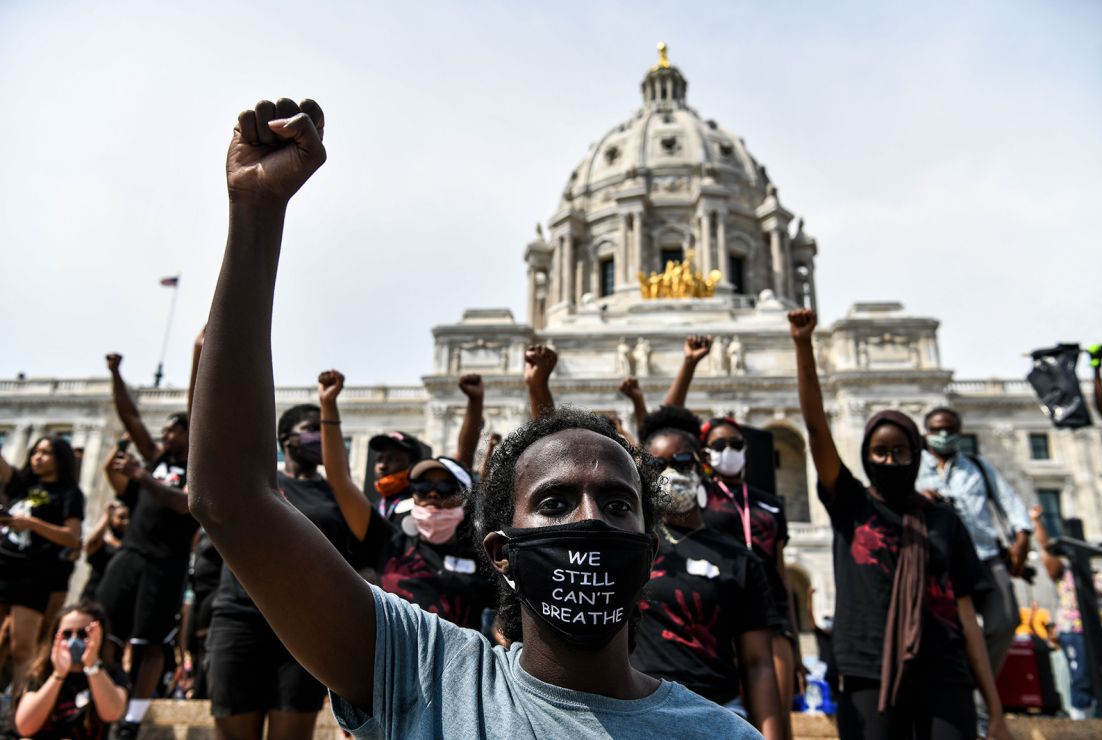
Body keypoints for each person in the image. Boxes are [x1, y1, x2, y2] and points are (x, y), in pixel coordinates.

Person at [188, 97, 758, 739]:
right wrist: (256, 213)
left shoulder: (727, 735)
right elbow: (233, 501)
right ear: (499, 548)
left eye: (619, 502)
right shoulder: (428, 676)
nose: (589, 520)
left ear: (651, 551)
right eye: (554, 501)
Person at [789, 307, 1010, 740]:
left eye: (900, 452)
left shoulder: (944, 521)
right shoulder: (851, 505)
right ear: (866, 457)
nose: (889, 460)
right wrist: (803, 345)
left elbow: (967, 618)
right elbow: (816, 431)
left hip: (943, 670)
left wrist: (997, 711)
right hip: (867, 672)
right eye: (879, 452)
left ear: (917, 455)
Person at [204, 401, 358, 739]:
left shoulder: (339, 495)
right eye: (312, 429)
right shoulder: (255, 483)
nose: (322, 438)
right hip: (240, 618)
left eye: (327, 431)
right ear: (286, 438)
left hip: (306, 627)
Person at [632, 427, 783, 739]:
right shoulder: (634, 549)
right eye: (659, 465)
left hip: (718, 713)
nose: (672, 472)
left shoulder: (739, 559)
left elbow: (758, 664)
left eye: (682, 461)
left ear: (701, 464)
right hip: (641, 713)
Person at [318, 370, 496, 630]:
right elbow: (340, 481)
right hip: (394, 668)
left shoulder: (483, 557)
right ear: (414, 496)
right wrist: (328, 407)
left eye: (446, 486)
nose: (433, 494)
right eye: (423, 487)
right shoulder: (389, 541)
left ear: (464, 498)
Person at [98, 353, 195, 737]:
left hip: (166, 562)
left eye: (174, 429)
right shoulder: (156, 459)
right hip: (131, 554)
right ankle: (108, 694)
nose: (166, 435)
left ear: (190, 435)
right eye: (166, 429)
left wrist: (141, 476)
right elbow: (131, 418)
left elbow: (183, 503)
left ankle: (134, 717)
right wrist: (116, 374)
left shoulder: (194, 471)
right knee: (101, 627)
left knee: (151, 643)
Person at [700, 415, 801, 734]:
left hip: (772, 615)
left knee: (777, 719)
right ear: (705, 453)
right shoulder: (700, 498)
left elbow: (781, 572)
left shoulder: (769, 503)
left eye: (735, 444)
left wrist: (795, 643)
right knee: (731, 718)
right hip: (722, 615)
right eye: (719, 445)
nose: (728, 450)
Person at [916, 406, 1033, 675]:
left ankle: (977, 687)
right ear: (926, 432)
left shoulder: (978, 465)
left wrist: (1023, 535)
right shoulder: (913, 468)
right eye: (937, 430)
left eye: (949, 429)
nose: (943, 435)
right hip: (937, 561)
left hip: (984, 555)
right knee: (942, 627)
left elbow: (1009, 500)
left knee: (1004, 621)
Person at [0, 436, 84, 689]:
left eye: (46, 453)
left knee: (22, 648)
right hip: (3, 566)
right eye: (35, 451)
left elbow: (72, 537)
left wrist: (32, 524)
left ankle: (18, 712)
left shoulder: (68, 494)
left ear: (60, 459)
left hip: (33, 575)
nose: (38, 457)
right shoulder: (23, 484)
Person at [1029, 504, 1102, 719]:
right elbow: (1046, 550)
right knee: (1081, 677)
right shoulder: (1064, 571)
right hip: (1075, 630)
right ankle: (1080, 719)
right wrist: (1038, 522)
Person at [14, 602, 128, 740]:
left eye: (82, 633)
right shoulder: (40, 672)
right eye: (67, 634)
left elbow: (112, 713)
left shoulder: (111, 672)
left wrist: (92, 665)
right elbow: (25, 727)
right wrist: (58, 675)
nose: (74, 640)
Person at [81, 500, 129, 602]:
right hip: (93, 597)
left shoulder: (134, 545)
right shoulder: (104, 543)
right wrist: (106, 515)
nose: (126, 522)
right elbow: (91, 543)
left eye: (129, 518)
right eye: (121, 517)